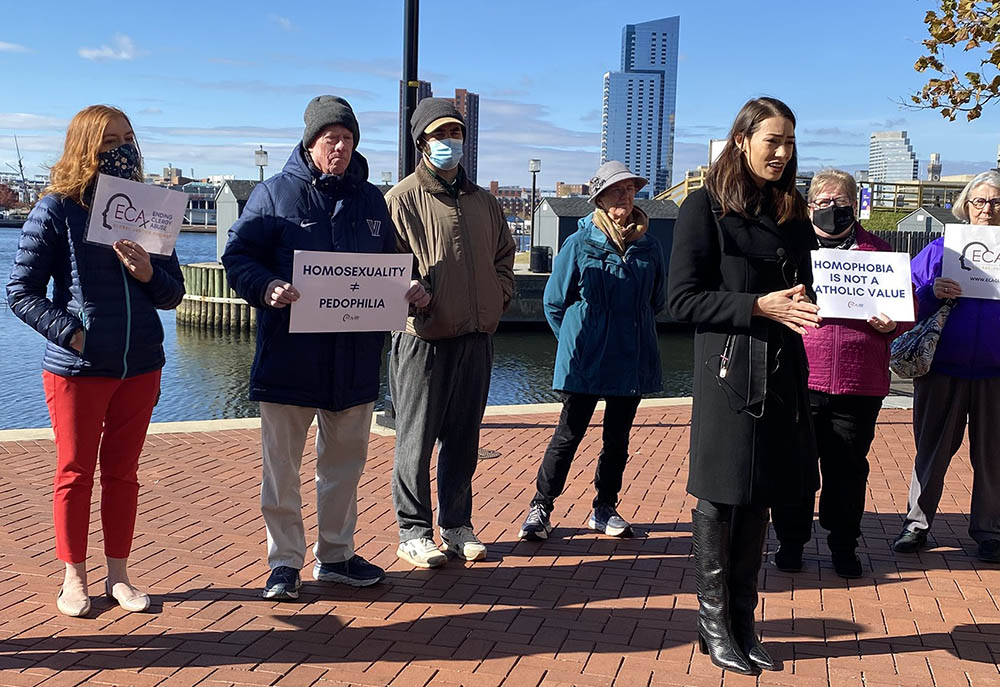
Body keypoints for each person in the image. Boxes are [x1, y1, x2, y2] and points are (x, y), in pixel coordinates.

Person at [222, 95, 430, 600]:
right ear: (310, 141)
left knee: (343, 467)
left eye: (348, 138)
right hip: (289, 358)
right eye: (330, 138)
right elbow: (238, 255)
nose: (340, 147)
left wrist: (413, 288)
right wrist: (266, 287)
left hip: (353, 362)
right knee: (283, 471)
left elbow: (391, 264)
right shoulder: (272, 195)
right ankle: (284, 563)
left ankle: (335, 556)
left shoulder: (370, 200)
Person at [6, 105, 185, 617]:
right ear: (86, 147)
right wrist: (73, 333)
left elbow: (173, 295)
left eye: (128, 138)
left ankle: (120, 577)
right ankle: (73, 578)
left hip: (141, 365)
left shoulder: (152, 209)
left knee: (123, 474)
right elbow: (20, 291)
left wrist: (150, 272)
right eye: (110, 141)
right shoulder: (57, 209)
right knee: (74, 472)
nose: (123, 149)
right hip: (78, 369)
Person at [667, 97, 820, 675]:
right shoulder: (703, 207)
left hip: (782, 369)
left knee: (760, 497)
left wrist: (859, 307)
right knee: (722, 494)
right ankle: (713, 625)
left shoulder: (790, 210)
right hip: (730, 372)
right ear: (741, 141)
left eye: (788, 143)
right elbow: (680, 299)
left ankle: (743, 619)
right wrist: (755, 304)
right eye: (771, 141)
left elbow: (808, 290)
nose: (781, 154)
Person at [385, 98, 516, 568]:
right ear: (422, 142)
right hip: (423, 338)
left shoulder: (484, 202)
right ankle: (413, 531)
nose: (449, 143)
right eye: (440, 135)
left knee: (464, 437)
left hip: (476, 336)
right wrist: (413, 289)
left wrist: (499, 295)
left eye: (456, 134)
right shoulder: (400, 200)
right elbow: (386, 269)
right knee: (415, 440)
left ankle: (457, 525)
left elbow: (505, 256)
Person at [517, 161, 665, 541]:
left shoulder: (648, 245)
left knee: (618, 439)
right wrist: (574, 344)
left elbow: (657, 301)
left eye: (631, 190)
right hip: (586, 359)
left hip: (630, 358)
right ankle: (541, 506)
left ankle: (604, 507)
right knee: (568, 434)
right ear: (599, 197)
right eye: (618, 190)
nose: (626, 196)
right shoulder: (579, 243)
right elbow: (554, 302)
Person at [770, 169, 905, 578]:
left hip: (858, 384)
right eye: (823, 202)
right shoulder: (791, 251)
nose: (832, 209)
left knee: (847, 470)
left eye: (840, 201)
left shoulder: (880, 254)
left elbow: (903, 313)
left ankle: (843, 545)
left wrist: (891, 325)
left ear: (854, 204)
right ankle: (791, 541)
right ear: (810, 206)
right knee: (794, 467)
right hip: (799, 378)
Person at [892, 170, 1000, 563]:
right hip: (942, 368)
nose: (987, 209)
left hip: (996, 372)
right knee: (932, 450)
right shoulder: (941, 250)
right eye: (979, 201)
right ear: (966, 207)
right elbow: (902, 297)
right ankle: (916, 524)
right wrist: (931, 291)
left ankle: (990, 531)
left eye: (996, 202)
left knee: (993, 457)